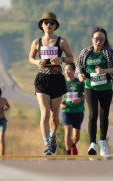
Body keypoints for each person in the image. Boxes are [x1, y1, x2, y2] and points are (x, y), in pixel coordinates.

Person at [29, 12, 74, 155]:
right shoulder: (36, 42)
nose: (49, 25)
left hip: (57, 79)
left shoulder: (62, 42)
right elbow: (30, 58)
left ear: (55, 26)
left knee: (54, 115)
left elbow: (71, 57)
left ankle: (53, 136)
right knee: (45, 113)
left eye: (52, 23)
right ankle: (46, 144)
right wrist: (37, 61)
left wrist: (61, 59)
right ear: (41, 25)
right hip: (42, 79)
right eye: (46, 22)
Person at [76, 27, 113, 156]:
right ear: (92, 39)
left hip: (106, 88)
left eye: (102, 39)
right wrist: (80, 76)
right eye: (96, 39)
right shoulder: (85, 52)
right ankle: (92, 144)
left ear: (104, 40)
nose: (99, 41)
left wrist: (104, 71)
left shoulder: (108, 52)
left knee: (104, 115)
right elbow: (79, 67)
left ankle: (102, 141)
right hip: (90, 87)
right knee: (93, 114)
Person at [61, 63, 85, 155]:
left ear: (74, 70)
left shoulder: (79, 82)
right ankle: (68, 154)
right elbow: (57, 97)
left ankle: (72, 144)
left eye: (69, 69)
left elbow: (86, 95)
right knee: (67, 130)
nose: (67, 72)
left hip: (78, 111)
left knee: (76, 137)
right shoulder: (62, 83)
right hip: (66, 110)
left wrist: (80, 99)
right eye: (65, 70)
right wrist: (60, 105)